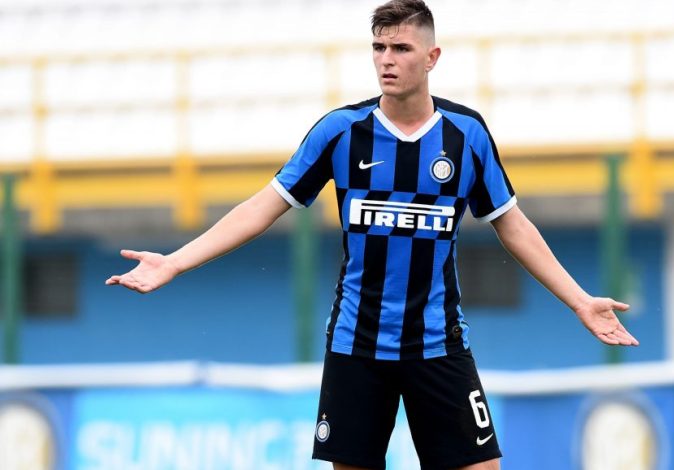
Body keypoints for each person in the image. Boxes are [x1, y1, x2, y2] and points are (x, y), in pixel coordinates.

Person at [106, 1, 639, 468]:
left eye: (401, 48)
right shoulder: (341, 131)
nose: (387, 59)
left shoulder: (466, 135)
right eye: (379, 48)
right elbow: (261, 207)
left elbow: (512, 224)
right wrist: (175, 261)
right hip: (356, 344)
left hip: (438, 343)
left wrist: (579, 300)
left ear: (431, 58)